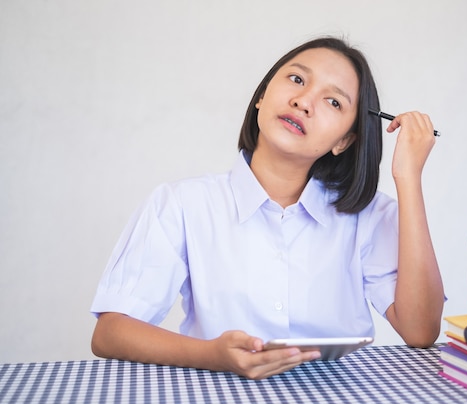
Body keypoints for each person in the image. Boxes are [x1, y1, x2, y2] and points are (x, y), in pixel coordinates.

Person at [90, 36, 445, 380]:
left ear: (345, 141)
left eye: (333, 101)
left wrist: (408, 177)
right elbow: (110, 332)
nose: (304, 101)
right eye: (296, 79)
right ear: (262, 96)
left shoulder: (369, 215)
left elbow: (420, 331)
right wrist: (212, 355)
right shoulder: (182, 204)